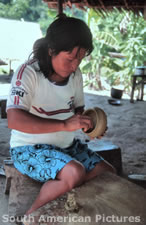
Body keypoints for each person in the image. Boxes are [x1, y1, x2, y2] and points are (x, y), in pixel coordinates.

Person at [7, 14, 115, 216]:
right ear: (51, 50)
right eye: (70, 58)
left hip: (66, 147)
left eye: (80, 59)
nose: (75, 65)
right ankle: (31, 217)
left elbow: (78, 112)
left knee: (106, 173)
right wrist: (64, 125)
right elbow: (14, 120)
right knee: (74, 172)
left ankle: (70, 205)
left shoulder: (75, 75)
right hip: (28, 149)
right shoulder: (28, 73)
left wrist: (90, 125)